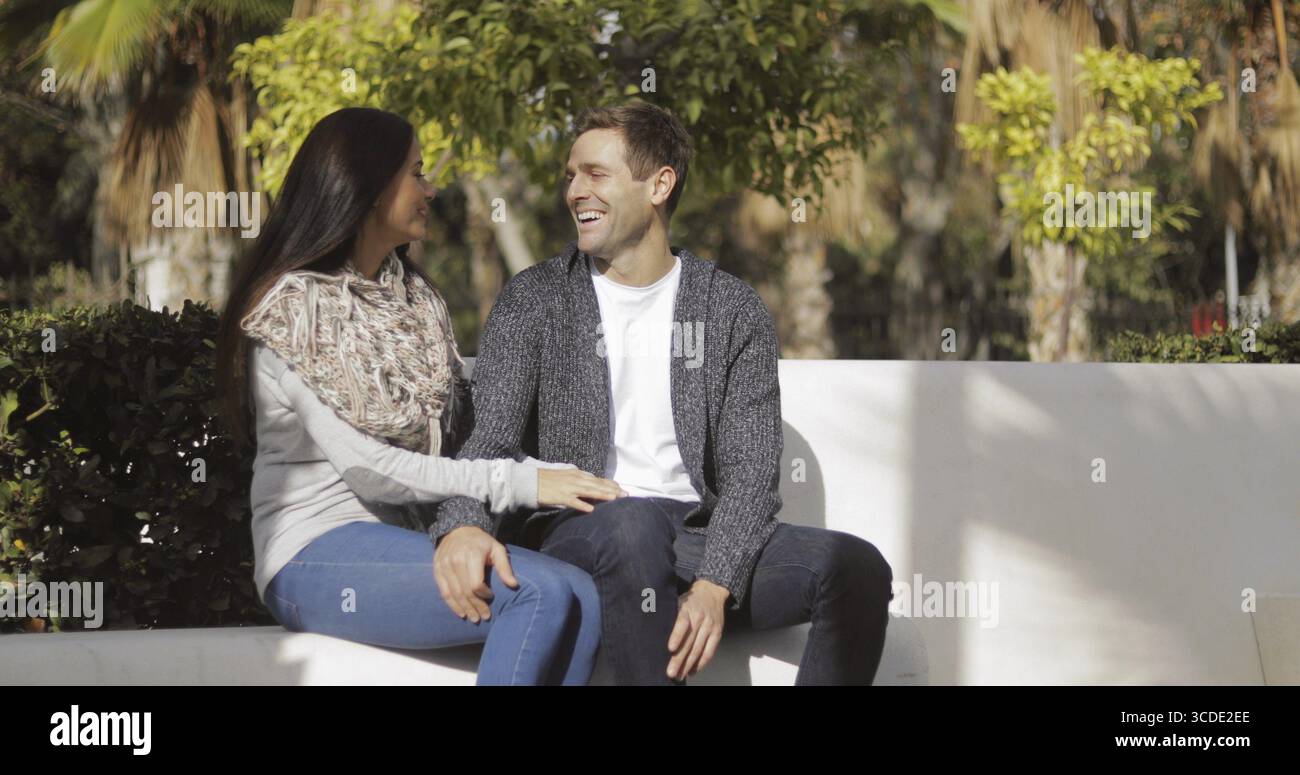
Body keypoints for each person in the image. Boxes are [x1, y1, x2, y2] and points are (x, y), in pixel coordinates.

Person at [432, 101, 895, 685]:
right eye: (571, 176)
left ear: (659, 184)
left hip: (693, 539)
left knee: (855, 568)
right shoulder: (536, 299)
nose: (576, 191)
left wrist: (714, 584)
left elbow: (751, 479)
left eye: (596, 174)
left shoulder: (729, 309)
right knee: (632, 525)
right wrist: (461, 525)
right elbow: (489, 439)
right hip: (581, 529)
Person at [215, 107, 623, 685]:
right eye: (416, 173)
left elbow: (456, 440)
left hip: (403, 542)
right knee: (536, 593)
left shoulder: (416, 302)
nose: (430, 189)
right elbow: (369, 471)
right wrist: (523, 484)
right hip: (312, 554)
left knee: (580, 596)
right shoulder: (295, 311)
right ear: (369, 186)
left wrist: (550, 478)